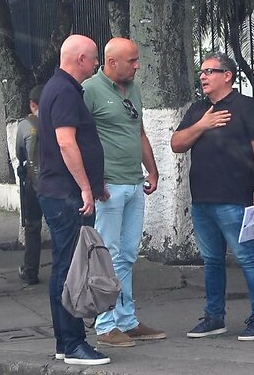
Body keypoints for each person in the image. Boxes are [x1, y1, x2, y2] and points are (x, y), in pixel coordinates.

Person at [170, 52, 254, 341]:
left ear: (227, 75)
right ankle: (214, 317)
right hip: (202, 201)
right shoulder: (198, 110)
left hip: (234, 199)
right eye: (201, 72)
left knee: (247, 258)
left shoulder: (245, 107)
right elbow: (177, 144)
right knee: (211, 261)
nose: (202, 76)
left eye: (209, 71)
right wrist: (202, 125)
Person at [82, 37, 165, 347]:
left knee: (128, 254)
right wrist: (93, 181)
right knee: (107, 255)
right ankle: (105, 325)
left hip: (133, 182)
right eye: (132, 61)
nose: (137, 66)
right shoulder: (90, 90)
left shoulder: (133, 89)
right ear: (111, 62)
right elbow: (78, 137)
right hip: (108, 186)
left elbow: (139, 131)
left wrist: (152, 169)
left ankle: (127, 320)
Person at [36, 34, 110, 365]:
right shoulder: (64, 91)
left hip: (63, 191)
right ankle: (73, 343)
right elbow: (67, 142)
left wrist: (95, 183)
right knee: (71, 270)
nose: (97, 64)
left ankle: (64, 341)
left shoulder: (60, 88)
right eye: (94, 58)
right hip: (66, 194)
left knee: (65, 267)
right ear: (80, 59)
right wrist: (85, 187)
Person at [15, 84, 44, 285]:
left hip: (33, 183)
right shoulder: (58, 120)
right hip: (57, 183)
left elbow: (20, 153)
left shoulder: (25, 125)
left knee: (32, 227)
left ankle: (31, 271)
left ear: (32, 104)